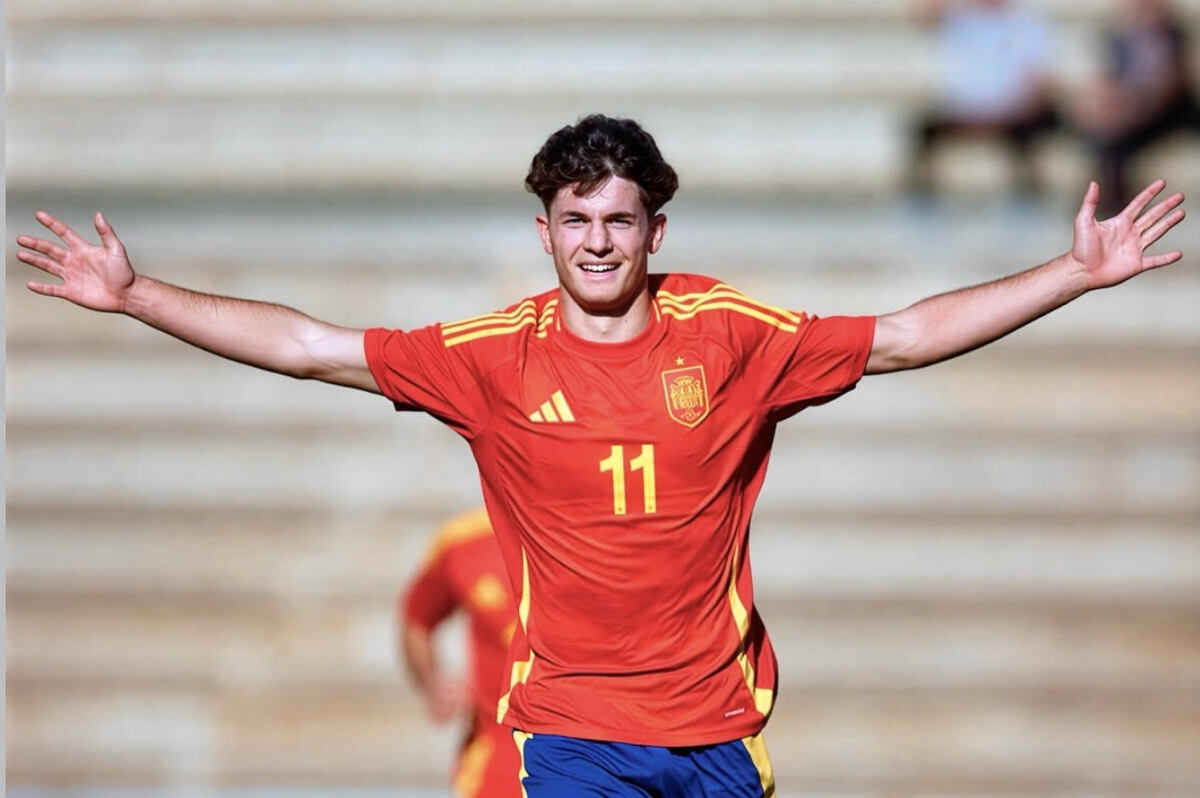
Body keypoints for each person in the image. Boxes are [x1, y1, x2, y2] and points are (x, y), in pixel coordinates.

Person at [16, 114, 1185, 797]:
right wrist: (139, 296)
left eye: (618, 220)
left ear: (654, 230)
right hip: (571, 732)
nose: (596, 242)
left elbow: (904, 337)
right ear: (544, 232)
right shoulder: (492, 356)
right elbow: (311, 347)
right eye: (574, 221)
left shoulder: (731, 334)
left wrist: (1073, 274)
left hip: (721, 727)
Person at [401, 507, 520, 798]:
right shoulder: (464, 540)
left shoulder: (606, 528)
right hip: (498, 762)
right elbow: (418, 619)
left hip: (602, 751)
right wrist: (432, 683)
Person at [906, 0, 1061, 198]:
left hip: (1012, 111)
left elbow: (1039, 80)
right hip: (962, 108)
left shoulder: (1026, 19)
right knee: (920, 130)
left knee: (1041, 126)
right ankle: (922, 196)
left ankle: (1029, 195)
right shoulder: (958, 15)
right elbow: (921, 14)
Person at [1071, 0, 1200, 216]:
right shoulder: (1118, 39)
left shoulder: (1174, 35)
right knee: (1109, 142)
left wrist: (1136, 107)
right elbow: (1109, 81)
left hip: (1170, 114)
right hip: (1131, 113)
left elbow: (1174, 85)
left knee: (1118, 138)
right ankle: (1113, 211)